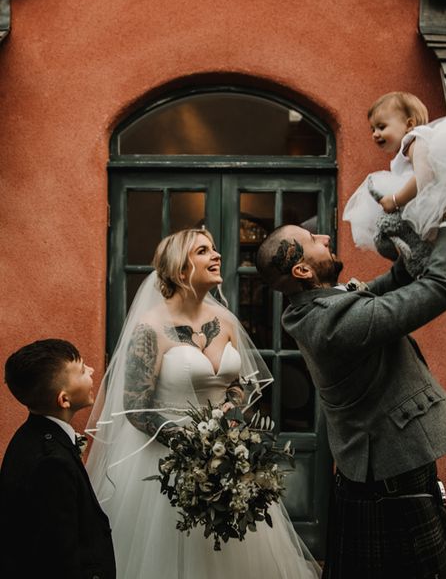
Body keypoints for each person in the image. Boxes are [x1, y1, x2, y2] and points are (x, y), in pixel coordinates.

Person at [85, 228, 320, 579]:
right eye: (203, 251)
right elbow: (135, 407)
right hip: (166, 464)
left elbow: (237, 385)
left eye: (213, 249)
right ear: (181, 270)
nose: (217, 256)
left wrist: (232, 419)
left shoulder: (225, 321)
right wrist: (192, 447)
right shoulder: (150, 328)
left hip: (225, 456)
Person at [255, 215, 446, 579]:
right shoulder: (333, 325)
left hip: (386, 474)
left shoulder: (318, 306)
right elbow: (443, 287)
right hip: (391, 487)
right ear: (302, 270)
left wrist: (408, 239)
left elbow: (388, 285)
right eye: (313, 239)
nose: (325, 237)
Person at [0, 339, 116, 579]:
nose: (92, 371)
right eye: (83, 370)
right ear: (64, 400)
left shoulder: (29, 435)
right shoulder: (52, 463)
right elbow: (60, 557)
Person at [343, 90, 446, 255]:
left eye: (382, 127)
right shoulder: (402, 160)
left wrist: (396, 200)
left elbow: (424, 176)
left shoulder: (413, 141)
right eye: (372, 129)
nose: (375, 134)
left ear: (409, 125)